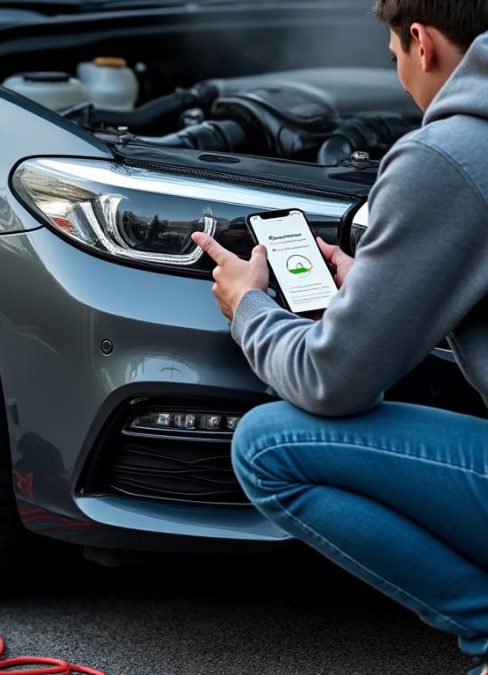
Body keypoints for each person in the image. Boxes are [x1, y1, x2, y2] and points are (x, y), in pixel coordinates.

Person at [189, 2, 488, 672]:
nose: (402, 81)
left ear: (422, 42)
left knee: (268, 446)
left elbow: (334, 382)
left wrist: (249, 307)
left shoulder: (447, 155)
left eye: (394, 59)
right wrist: (391, 285)